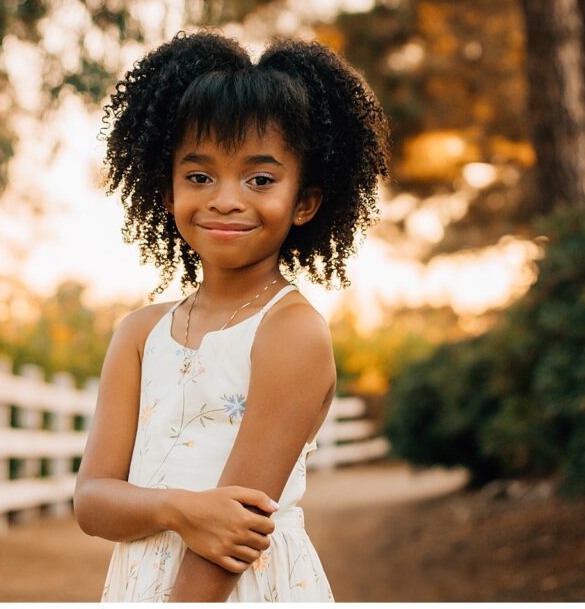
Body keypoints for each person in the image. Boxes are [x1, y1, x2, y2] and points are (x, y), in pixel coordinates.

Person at [73, 31, 391, 602]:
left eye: (260, 179)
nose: (225, 198)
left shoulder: (290, 331)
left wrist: (177, 519)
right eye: (199, 176)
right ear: (166, 191)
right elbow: (92, 502)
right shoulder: (140, 334)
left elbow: (233, 537)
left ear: (305, 202)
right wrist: (180, 508)